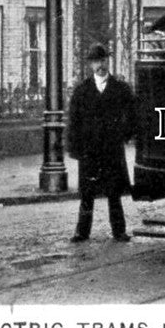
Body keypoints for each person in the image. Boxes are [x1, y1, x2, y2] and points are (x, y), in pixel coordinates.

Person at [67, 43, 137, 243]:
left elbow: (133, 115)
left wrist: (123, 135)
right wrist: (75, 149)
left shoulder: (120, 89)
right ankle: (82, 232)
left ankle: (119, 231)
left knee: (113, 192)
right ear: (91, 64)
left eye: (104, 60)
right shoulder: (81, 91)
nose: (101, 65)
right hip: (89, 151)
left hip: (111, 149)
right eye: (96, 61)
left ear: (108, 61)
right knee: (87, 194)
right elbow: (73, 122)